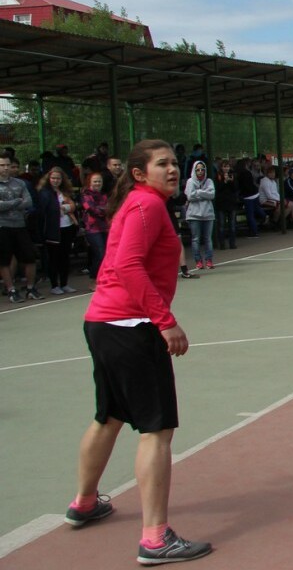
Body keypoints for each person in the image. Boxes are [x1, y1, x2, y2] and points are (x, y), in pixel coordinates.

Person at [66, 139, 213, 565]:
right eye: (162, 164)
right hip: (131, 325)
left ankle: (85, 502)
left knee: (109, 416)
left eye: (174, 163)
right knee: (157, 430)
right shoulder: (146, 205)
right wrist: (164, 321)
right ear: (138, 173)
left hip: (105, 322)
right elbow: (128, 265)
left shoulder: (140, 204)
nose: (172, 169)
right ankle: (155, 538)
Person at [0, 155, 43, 303]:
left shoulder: (20, 183)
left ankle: (31, 288)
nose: (5, 168)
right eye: (2, 165)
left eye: (7, 165)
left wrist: (8, 204)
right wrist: (16, 201)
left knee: (30, 257)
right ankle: (11, 290)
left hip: (20, 225)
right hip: (3, 226)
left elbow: (28, 202)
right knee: (4, 261)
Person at [36, 166, 79, 294]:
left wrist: (67, 208)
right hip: (53, 230)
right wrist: (61, 208)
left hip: (67, 227)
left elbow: (74, 206)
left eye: (58, 178)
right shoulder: (44, 193)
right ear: (49, 179)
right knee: (53, 258)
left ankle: (64, 283)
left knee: (65, 257)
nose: (55, 180)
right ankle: (54, 285)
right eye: (53, 178)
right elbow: (44, 211)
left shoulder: (65, 191)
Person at [184, 161, 215, 270]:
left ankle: (209, 260)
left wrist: (198, 192)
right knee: (196, 239)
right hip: (194, 215)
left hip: (208, 214)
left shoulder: (209, 181)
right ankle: (198, 261)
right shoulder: (190, 182)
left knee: (208, 239)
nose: (200, 171)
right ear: (194, 170)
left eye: (202, 169)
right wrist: (204, 193)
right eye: (198, 169)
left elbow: (212, 194)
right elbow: (190, 196)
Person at [81, 172, 110, 281]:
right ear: (90, 182)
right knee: (100, 253)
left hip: (105, 227)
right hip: (92, 229)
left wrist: (103, 210)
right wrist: (104, 210)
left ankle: (103, 277)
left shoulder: (104, 195)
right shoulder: (85, 195)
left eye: (99, 181)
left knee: (106, 253)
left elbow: (110, 208)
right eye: (95, 181)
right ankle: (94, 278)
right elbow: (91, 209)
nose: (97, 183)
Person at [213, 161, 239, 250]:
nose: (226, 168)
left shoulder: (233, 175)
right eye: (224, 167)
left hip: (231, 203)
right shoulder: (218, 176)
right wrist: (224, 181)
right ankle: (222, 244)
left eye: (227, 166)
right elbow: (217, 188)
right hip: (221, 203)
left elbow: (235, 188)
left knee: (232, 225)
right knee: (221, 225)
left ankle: (232, 243)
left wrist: (231, 181)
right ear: (221, 167)